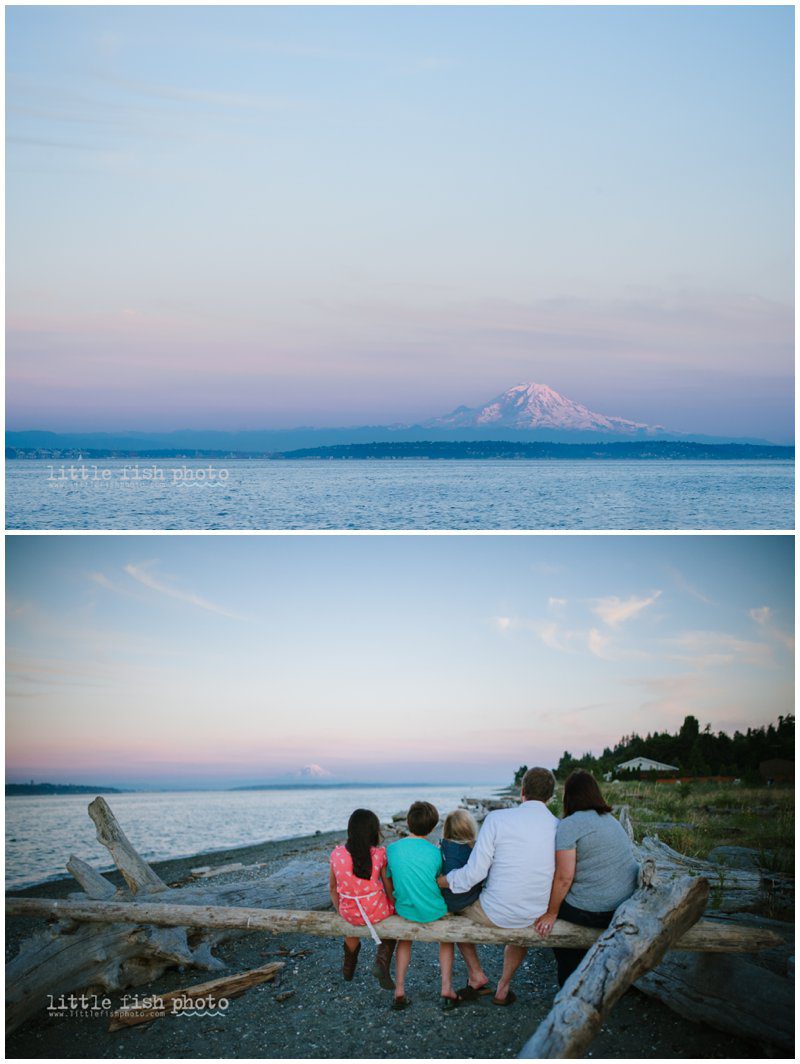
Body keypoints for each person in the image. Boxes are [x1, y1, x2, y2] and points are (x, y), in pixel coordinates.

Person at [438, 767, 558, 1006]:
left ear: (522, 792)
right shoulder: (559, 826)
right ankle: (503, 987)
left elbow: (475, 873)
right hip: (536, 914)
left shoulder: (497, 819)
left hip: (494, 912)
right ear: (551, 797)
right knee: (521, 925)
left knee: (457, 907)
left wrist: (446, 880)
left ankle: (476, 974)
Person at [534, 770, 640, 986]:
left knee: (551, 910)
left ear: (569, 796)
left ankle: (570, 982)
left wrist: (551, 912)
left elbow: (564, 877)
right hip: (622, 904)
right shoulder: (610, 820)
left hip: (596, 912)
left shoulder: (570, 825)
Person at [385, 800, 448, 1010]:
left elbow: (390, 878)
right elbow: (436, 878)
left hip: (405, 908)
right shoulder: (435, 853)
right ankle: (446, 988)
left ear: (408, 823)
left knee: (404, 940)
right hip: (434, 910)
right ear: (431, 828)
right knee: (447, 940)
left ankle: (400, 989)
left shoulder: (392, 849)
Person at [329, 808, 396, 989]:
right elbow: (388, 886)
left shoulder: (336, 854)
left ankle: (348, 966)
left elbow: (333, 888)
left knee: (351, 928)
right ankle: (381, 963)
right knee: (392, 928)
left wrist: (340, 910)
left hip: (349, 911)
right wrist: (393, 905)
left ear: (350, 830)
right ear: (374, 832)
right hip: (376, 911)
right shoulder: (379, 854)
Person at [437, 809, 491, 1010]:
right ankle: (476, 974)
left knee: (455, 926)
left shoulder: (442, 847)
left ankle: (476, 975)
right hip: (470, 900)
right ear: (470, 829)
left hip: (449, 902)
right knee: (460, 921)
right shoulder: (476, 849)